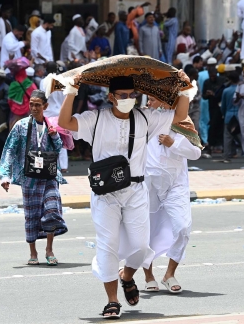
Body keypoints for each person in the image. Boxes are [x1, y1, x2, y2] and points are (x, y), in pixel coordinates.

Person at [58, 75, 191, 319]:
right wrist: (71, 91)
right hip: (105, 194)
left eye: (132, 95)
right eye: (123, 96)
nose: (128, 99)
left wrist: (185, 90)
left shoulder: (144, 118)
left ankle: (127, 276)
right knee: (107, 246)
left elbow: (179, 117)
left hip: (136, 192)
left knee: (141, 246)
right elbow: (65, 122)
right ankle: (112, 300)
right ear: (111, 97)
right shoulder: (96, 119)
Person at [0, 89, 67, 266]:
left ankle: (49, 249)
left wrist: (55, 135)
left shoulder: (51, 125)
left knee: (52, 210)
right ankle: (33, 252)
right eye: (31, 104)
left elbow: (59, 148)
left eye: (38, 105)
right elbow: (9, 150)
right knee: (32, 215)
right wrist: (5, 176)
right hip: (29, 178)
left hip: (49, 176)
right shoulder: (20, 126)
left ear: (45, 106)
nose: (34, 108)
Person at [142, 96, 201, 294]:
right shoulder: (143, 118)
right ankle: (148, 275)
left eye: (153, 100)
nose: (149, 103)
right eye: (147, 99)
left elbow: (196, 153)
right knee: (144, 231)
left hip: (176, 184)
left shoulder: (182, 121)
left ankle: (169, 274)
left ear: (165, 100)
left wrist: (172, 143)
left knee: (183, 227)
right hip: (148, 183)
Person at [202, 58, 225, 153]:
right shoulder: (207, 82)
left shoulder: (221, 80)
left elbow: (223, 93)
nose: (212, 78)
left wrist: (215, 94)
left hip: (221, 105)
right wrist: (207, 95)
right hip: (212, 107)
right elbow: (204, 96)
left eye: (214, 76)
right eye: (211, 77)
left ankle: (220, 145)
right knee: (212, 125)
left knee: (221, 126)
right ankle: (211, 145)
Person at [221, 65, 241, 162]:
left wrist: (223, 114)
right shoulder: (241, 89)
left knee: (227, 137)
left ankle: (226, 156)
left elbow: (223, 106)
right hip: (239, 116)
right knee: (242, 137)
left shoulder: (226, 91)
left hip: (229, 115)